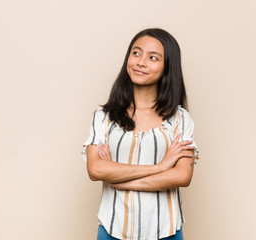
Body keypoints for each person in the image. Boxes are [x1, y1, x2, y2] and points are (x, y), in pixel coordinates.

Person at [81, 28, 199, 240]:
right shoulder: (103, 117)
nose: (141, 62)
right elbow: (96, 169)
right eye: (136, 53)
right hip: (112, 231)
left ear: (167, 67)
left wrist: (117, 179)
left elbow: (182, 175)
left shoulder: (179, 119)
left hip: (166, 232)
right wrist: (160, 167)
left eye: (153, 57)